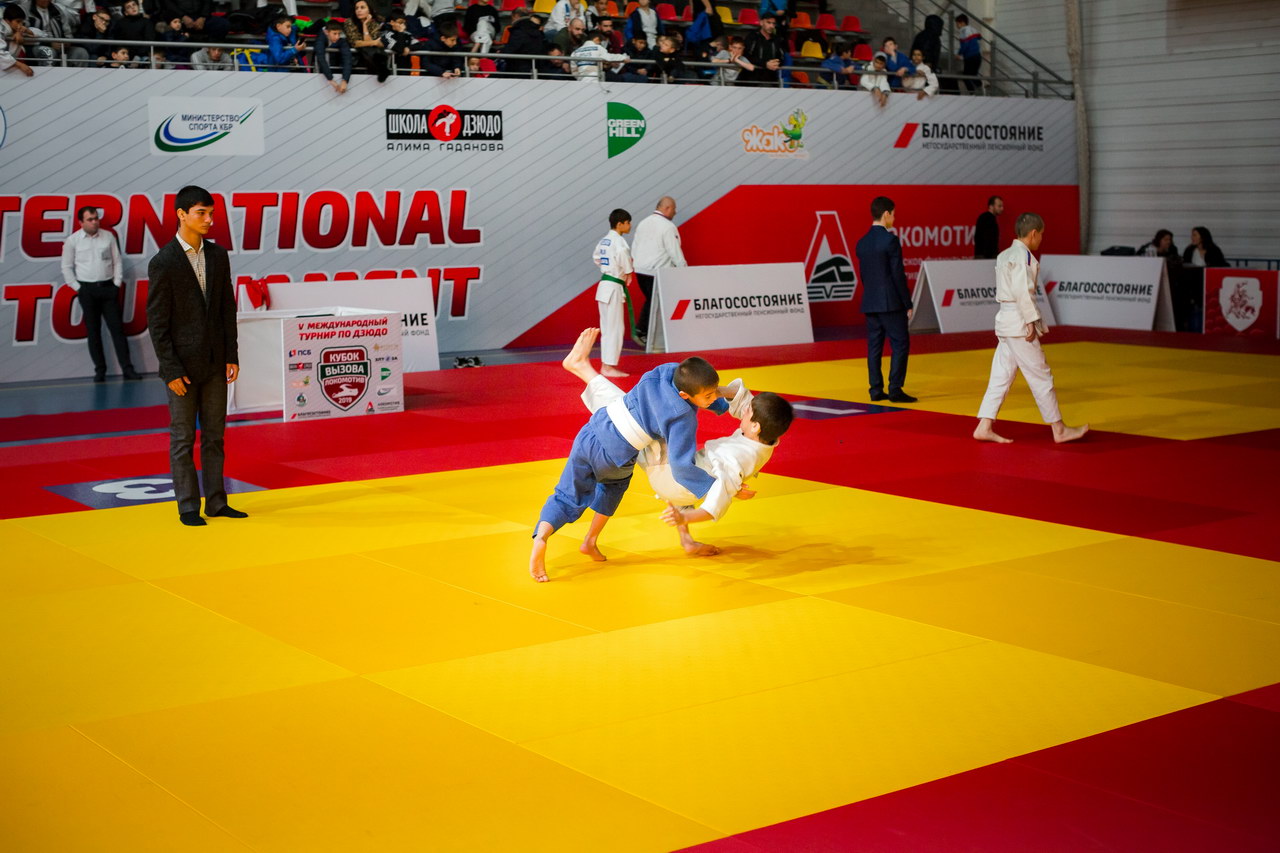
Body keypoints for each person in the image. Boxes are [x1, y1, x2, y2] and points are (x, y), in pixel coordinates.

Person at [563, 328, 794, 556]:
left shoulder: (736, 459)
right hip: (682, 483)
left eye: (747, 413)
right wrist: (714, 391)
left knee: (626, 413)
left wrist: (687, 515)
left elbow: (713, 506)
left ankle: (582, 368)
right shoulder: (765, 435)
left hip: (674, 480)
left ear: (755, 426)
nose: (743, 411)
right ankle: (686, 541)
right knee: (648, 423)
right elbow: (744, 401)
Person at [529, 350, 729, 582]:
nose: (713, 397)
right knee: (614, 487)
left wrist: (719, 404)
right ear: (684, 395)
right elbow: (681, 466)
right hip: (616, 454)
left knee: (566, 494)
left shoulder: (663, 372)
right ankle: (590, 540)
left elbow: (695, 386)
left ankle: (542, 536)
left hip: (591, 431)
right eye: (709, 395)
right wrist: (717, 488)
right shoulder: (682, 417)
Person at [146, 186, 247, 527]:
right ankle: (188, 506)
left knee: (215, 436)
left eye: (211, 213)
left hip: (216, 363)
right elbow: (157, 323)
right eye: (201, 213)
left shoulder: (218, 256)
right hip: (182, 368)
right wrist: (170, 369)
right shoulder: (163, 262)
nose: (209, 220)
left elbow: (227, 309)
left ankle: (217, 502)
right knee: (183, 438)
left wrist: (231, 354)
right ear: (182, 214)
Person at [974, 212, 1088, 445]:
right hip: (1018, 322)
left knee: (1001, 376)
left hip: (1005, 321)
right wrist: (1030, 321)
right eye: (1041, 235)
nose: (1041, 239)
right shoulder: (1023, 256)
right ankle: (1059, 429)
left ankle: (984, 426)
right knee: (1041, 376)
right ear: (1033, 233)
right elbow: (1022, 291)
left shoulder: (1004, 255)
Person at [62, 207, 141, 383]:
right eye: (90, 219)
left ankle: (128, 369)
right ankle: (100, 370)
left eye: (96, 218)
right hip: (87, 291)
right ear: (81, 222)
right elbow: (66, 267)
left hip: (108, 289)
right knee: (93, 332)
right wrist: (78, 288)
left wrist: (116, 284)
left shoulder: (108, 237)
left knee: (117, 331)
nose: (94, 222)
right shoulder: (73, 241)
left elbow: (117, 261)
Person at [856, 196, 915, 403]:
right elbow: (897, 274)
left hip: (870, 302)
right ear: (886, 214)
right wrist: (907, 303)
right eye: (894, 214)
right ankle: (895, 389)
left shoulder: (862, 243)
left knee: (874, 348)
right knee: (900, 344)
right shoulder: (890, 240)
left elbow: (864, 276)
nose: (894, 219)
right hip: (891, 303)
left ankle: (875, 390)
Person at [630, 196, 686, 346]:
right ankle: (643, 331)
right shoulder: (668, 227)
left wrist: (638, 264)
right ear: (667, 208)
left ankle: (646, 332)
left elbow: (635, 248)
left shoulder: (643, 223)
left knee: (651, 300)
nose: (675, 212)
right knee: (656, 302)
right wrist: (684, 271)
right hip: (657, 271)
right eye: (674, 209)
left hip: (640, 270)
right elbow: (674, 251)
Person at [592, 209, 634, 377]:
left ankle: (606, 365)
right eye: (628, 222)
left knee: (607, 328)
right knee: (615, 329)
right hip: (613, 287)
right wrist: (628, 271)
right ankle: (608, 367)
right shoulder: (619, 241)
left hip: (604, 286)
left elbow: (596, 257)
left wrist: (608, 268)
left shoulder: (604, 241)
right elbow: (623, 257)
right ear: (619, 224)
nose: (630, 225)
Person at [19, 0, 87, 67]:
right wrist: (49, 44)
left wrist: (67, 42)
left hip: (60, 46)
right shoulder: (25, 10)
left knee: (81, 53)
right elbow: (24, 34)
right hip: (34, 46)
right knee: (48, 52)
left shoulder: (58, 10)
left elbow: (67, 32)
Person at [344, 0, 390, 82]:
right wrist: (374, 42)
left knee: (370, 48)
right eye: (356, 8)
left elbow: (369, 42)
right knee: (366, 48)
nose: (359, 10)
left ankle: (380, 69)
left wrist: (365, 25)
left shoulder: (376, 21)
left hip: (371, 53)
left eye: (362, 7)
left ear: (369, 10)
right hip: (356, 54)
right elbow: (355, 43)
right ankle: (381, 68)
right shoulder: (349, 22)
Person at [740, 12, 785, 86]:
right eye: (768, 22)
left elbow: (782, 57)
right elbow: (746, 56)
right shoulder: (752, 37)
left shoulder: (777, 39)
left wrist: (776, 63)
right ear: (761, 23)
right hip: (752, 79)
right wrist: (765, 64)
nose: (771, 26)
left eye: (773, 23)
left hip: (770, 79)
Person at [502, 9, 546, 77]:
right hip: (537, 68)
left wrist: (502, 51)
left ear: (516, 16)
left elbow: (511, 49)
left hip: (518, 70)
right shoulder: (537, 29)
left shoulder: (518, 30)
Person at [316, 19, 352, 91]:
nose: (337, 37)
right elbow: (320, 58)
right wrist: (331, 79)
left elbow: (347, 58)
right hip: (320, 69)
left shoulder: (342, 39)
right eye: (334, 34)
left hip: (336, 65)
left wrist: (345, 80)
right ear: (326, 32)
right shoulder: (320, 38)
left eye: (339, 34)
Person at [1, 5, 35, 77]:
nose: (20, 25)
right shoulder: (1, 29)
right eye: (18, 21)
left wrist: (25, 31)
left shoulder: (15, 29)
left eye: (22, 22)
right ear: (7, 20)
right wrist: (20, 65)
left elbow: (42, 34)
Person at [956, 13, 982, 93]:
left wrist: (959, 54)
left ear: (962, 23)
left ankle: (972, 93)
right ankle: (981, 87)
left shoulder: (963, 31)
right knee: (973, 75)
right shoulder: (972, 29)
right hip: (977, 55)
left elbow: (965, 44)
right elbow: (979, 37)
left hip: (970, 57)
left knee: (966, 76)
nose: (957, 26)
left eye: (957, 24)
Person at [973, 195, 1003, 259]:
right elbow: (987, 239)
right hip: (985, 257)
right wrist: (992, 255)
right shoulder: (987, 219)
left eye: (1002, 206)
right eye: (999, 206)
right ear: (991, 206)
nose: (1002, 209)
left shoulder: (989, 218)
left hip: (985, 256)